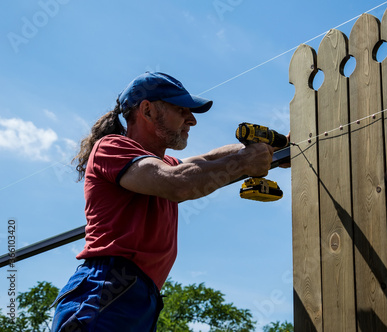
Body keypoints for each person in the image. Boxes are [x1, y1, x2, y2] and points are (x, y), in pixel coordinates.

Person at [50, 72, 275, 332]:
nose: (192, 120)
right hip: (105, 291)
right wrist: (243, 162)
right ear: (147, 110)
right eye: (182, 110)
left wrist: (275, 150)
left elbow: (207, 161)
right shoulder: (112, 147)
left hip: (139, 299)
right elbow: (178, 182)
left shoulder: (165, 165)